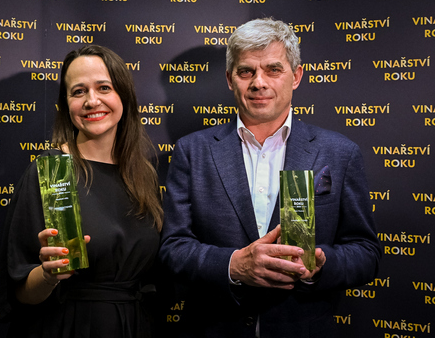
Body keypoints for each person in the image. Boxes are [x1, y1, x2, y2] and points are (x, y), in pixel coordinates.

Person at [158, 17, 381, 338]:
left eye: (273, 69)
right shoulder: (192, 151)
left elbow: (366, 252)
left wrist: (321, 265)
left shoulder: (339, 152)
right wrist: (233, 265)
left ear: (296, 76)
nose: (258, 82)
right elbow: (172, 248)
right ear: (230, 79)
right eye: (246, 71)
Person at [0, 45, 163, 338]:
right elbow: (20, 292)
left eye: (104, 87)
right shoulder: (54, 171)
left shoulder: (143, 174)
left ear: (123, 95)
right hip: (71, 327)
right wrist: (48, 275)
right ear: (66, 104)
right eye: (78, 91)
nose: (92, 100)